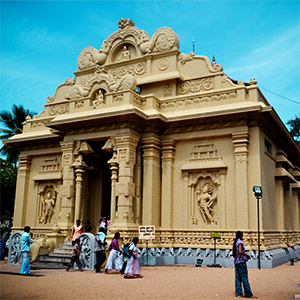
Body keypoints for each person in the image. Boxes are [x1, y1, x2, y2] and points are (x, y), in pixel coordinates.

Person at [233, 231, 257, 298]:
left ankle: (238, 293)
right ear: (241, 236)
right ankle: (248, 293)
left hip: (236, 262)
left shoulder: (235, 242)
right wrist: (247, 255)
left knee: (237, 278)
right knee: (244, 278)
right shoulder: (240, 242)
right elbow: (240, 251)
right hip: (241, 262)